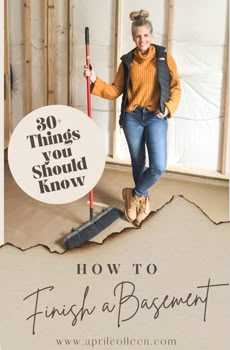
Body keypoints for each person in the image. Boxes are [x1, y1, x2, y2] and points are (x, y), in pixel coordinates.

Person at [84, 9, 181, 227]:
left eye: (146, 35)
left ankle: (135, 193)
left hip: (156, 116)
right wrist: (93, 79)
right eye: (138, 36)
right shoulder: (127, 61)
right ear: (132, 37)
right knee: (138, 162)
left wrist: (168, 108)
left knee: (157, 166)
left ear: (152, 36)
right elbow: (114, 90)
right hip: (132, 117)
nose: (142, 40)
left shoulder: (165, 58)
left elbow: (176, 87)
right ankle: (141, 203)